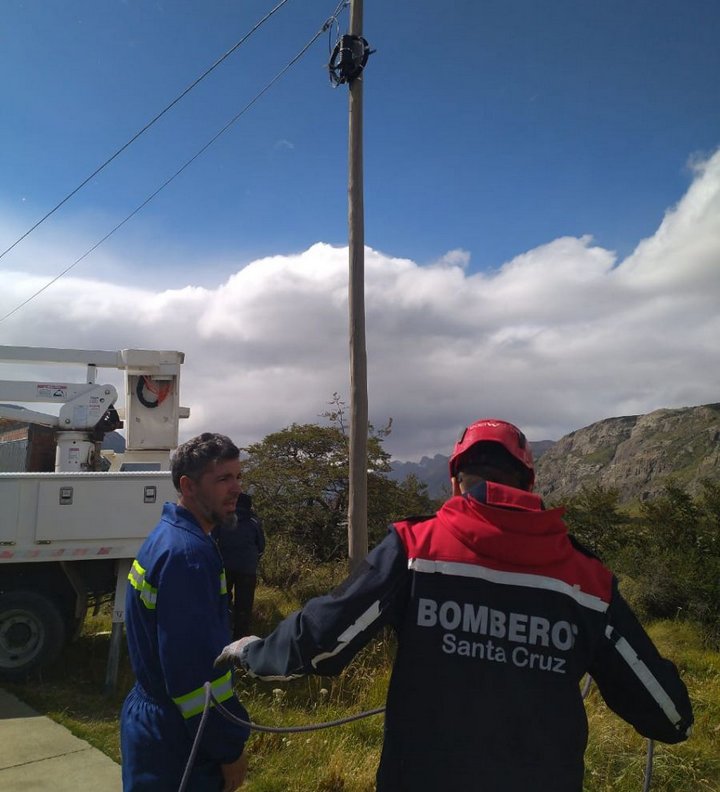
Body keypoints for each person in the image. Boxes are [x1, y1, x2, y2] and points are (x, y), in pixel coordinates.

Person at [217, 418, 693, 792]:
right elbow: (666, 714)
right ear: (528, 484)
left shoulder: (416, 547)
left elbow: (319, 643)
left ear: (455, 482)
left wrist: (251, 652)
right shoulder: (588, 579)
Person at [121, 433, 250, 792]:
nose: (236, 488)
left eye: (238, 477)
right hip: (178, 738)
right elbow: (196, 676)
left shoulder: (168, 535)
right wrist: (228, 750)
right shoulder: (189, 557)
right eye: (223, 478)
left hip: (154, 721)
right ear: (188, 486)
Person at [214, 493, 266, 639]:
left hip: (226, 567)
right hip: (247, 569)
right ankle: (240, 637)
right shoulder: (254, 522)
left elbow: (213, 540)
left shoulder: (223, 519)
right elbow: (261, 546)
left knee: (223, 599)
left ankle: (223, 630)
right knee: (244, 604)